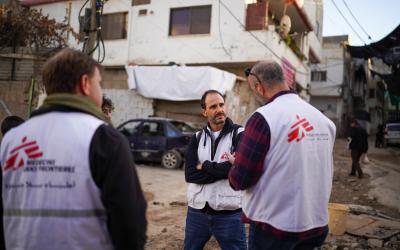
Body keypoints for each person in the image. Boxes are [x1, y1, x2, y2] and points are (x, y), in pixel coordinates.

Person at [0, 48, 147, 250]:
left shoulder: (11, 140)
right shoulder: (105, 139)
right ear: (85, 84)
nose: (101, 91)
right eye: (99, 83)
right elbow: (130, 225)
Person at [228, 61, 336, 250]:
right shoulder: (324, 121)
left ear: (259, 87)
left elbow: (242, 179)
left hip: (275, 230)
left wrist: (235, 165)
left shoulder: (263, 118)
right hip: (316, 226)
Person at [184, 90, 246, 250]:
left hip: (229, 213)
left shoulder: (239, 134)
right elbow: (190, 174)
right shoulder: (196, 138)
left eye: (221, 104)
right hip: (197, 213)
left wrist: (204, 166)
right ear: (204, 112)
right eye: (213, 106)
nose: (219, 109)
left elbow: (239, 169)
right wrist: (225, 170)